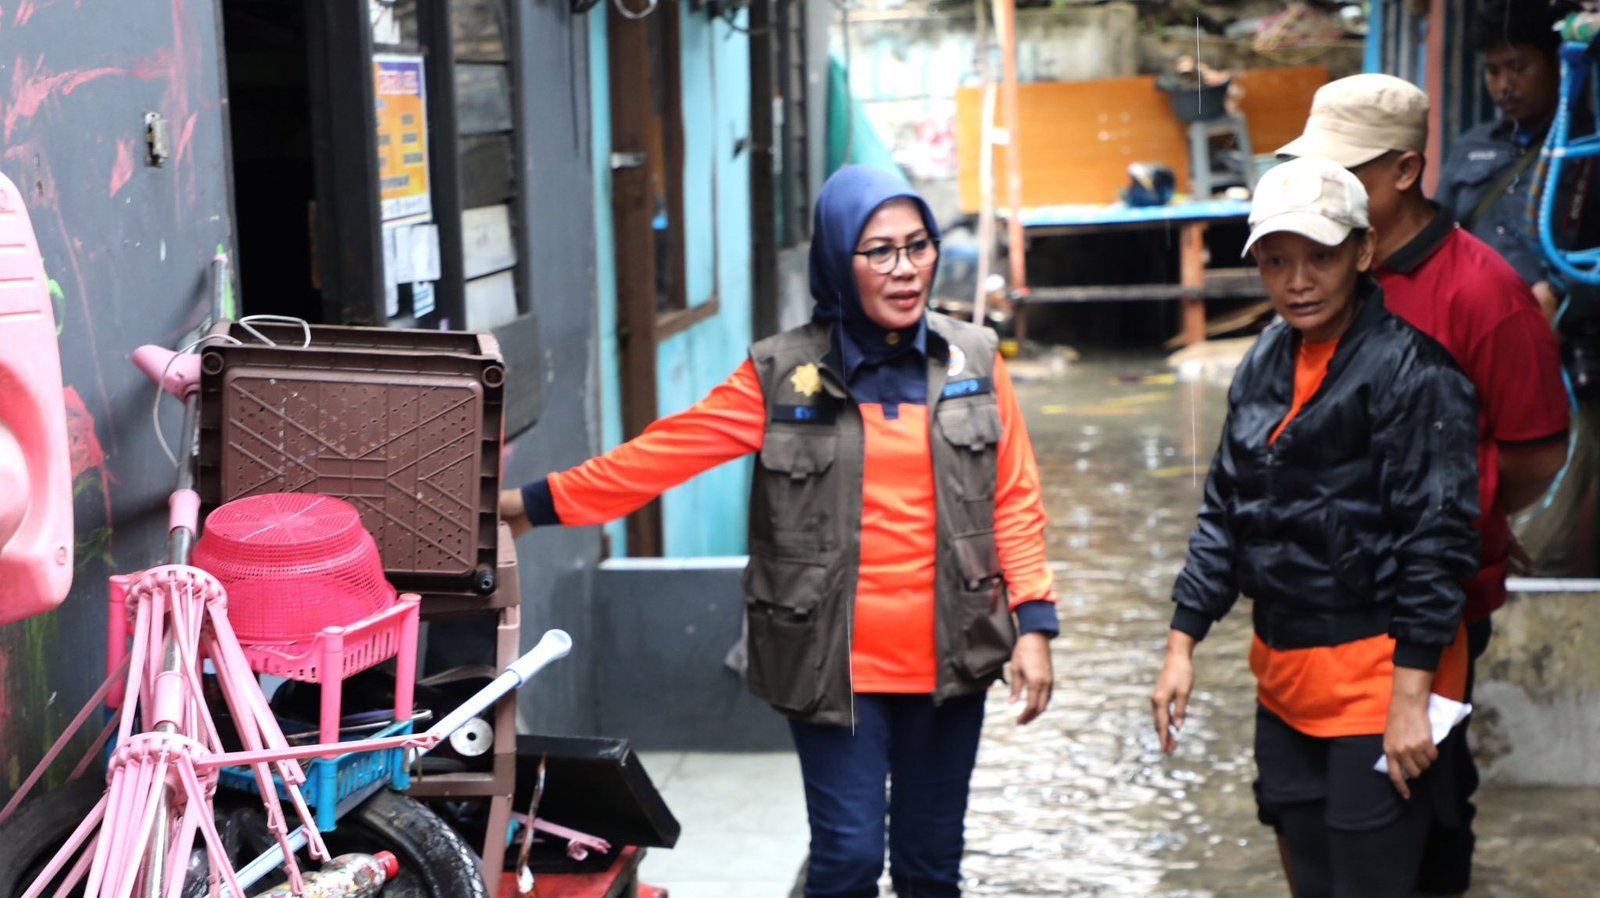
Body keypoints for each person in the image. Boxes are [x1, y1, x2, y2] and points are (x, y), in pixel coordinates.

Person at [499, 164, 1058, 898]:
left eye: (917, 246)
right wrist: (530, 505)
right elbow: (662, 455)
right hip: (829, 664)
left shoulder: (974, 361)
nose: (905, 268)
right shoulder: (782, 373)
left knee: (931, 866)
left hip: (953, 659)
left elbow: (1013, 500)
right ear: (837, 260)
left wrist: (1033, 623)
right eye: (879, 251)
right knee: (848, 857)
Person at [1150, 156, 1483, 898]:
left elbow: (1437, 541)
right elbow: (1226, 507)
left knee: (1372, 873)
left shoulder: (1415, 372)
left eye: (1320, 257)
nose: (1298, 281)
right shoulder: (1264, 362)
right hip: (1286, 673)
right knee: (1307, 866)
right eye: (1276, 261)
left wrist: (1409, 701)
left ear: (1363, 252)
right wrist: (1181, 644)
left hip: (1381, 676)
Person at [1275, 73, 1571, 897]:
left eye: (1347, 170)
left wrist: (1465, 517)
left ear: (1406, 170)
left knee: (1418, 805)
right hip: (1320, 599)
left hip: (1429, 602)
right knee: (1300, 807)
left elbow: (1537, 449)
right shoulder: (1320, 269)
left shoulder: (1483, 293)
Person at [1437, 0, 1592, 318]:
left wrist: (1565, 298)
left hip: (1557, 328)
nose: (1504, 86)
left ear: (1555, 64)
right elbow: (1437, 237)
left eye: (1518, 68)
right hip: (1470, 321)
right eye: (1493, 71)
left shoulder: (1587, 148)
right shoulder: (1471, 145)